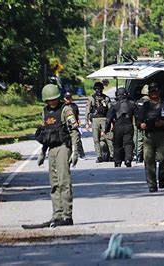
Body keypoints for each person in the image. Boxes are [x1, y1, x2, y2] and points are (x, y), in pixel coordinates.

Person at [23, 84, 79, 229]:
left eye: (54, 99)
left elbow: (74, 131)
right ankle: (57, 215)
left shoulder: (65, 110)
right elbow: (46, 134)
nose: (52, 102)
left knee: (64, 181)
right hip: (51, 149)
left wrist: (75, 151)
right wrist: (42, 152)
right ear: (46, 101)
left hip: (63, 147)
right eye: (49, 100)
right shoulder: (45, 112)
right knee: (54, 183)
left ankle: (67, 215)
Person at [136, 82, 164, 192]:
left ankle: (162, 176)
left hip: (161, 135)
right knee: (149, 160)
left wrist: (163, 123)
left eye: (155, 91)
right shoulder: (145, 106)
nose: (153, 94)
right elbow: (138, 119)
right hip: (149, 135)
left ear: (158, 92)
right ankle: (152, 185)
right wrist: (140, 125)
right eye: (151, 92)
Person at [105, 87, 136, 167]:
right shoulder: (132, 104)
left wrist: (106, 129)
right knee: (128, 143)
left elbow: (108, 119)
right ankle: (128, 159)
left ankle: (118, 161)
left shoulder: (114, 105)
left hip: (118, 126)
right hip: (128, 125)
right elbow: (138, 115)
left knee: (117, 144)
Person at [85, 82, 114, 163]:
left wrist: (111, 122)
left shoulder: (106, 98)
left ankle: (112, 155)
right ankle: (99, 156)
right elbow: (87, 110)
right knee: (96, 139)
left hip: (104, 119)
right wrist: (87, 122)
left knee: (108, 138)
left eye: (100, 89)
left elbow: (110, 111)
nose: (98, 90)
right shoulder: (91, 98)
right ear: (95, 89)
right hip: (95, 120)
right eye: (97, 89)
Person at [64, 92, 85, 159]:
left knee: (77, 140)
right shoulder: (63, 106)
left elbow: (77, 115)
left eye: (69, 98)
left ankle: (81, 154)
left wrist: (79, 123)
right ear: (64, 99)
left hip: (74, 125)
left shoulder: (74, 106)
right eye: (67, 98)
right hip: (66, 126)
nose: (68, 100)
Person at [133, 85, 150, 162]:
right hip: (149, 123)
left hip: (139, 123)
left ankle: (138, 155)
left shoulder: (137, 102)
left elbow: (135, 113)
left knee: (138, 139)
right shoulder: (152, 102)